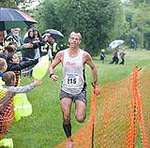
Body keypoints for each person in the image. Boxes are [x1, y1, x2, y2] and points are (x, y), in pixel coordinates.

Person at [49, 32, 100, 148]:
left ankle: (80, 110)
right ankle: (69, 139)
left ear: (79, 41)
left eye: (77, 39)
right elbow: (51, 66)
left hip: (79, 90)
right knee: (66, 116)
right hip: (66, 90)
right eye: (72, 38)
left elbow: (93, 67)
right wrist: (51, 74)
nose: (74, 41)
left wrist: (96, 84)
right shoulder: (61, 54)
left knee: (80, 118)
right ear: (69, 40)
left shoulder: (84, 55)